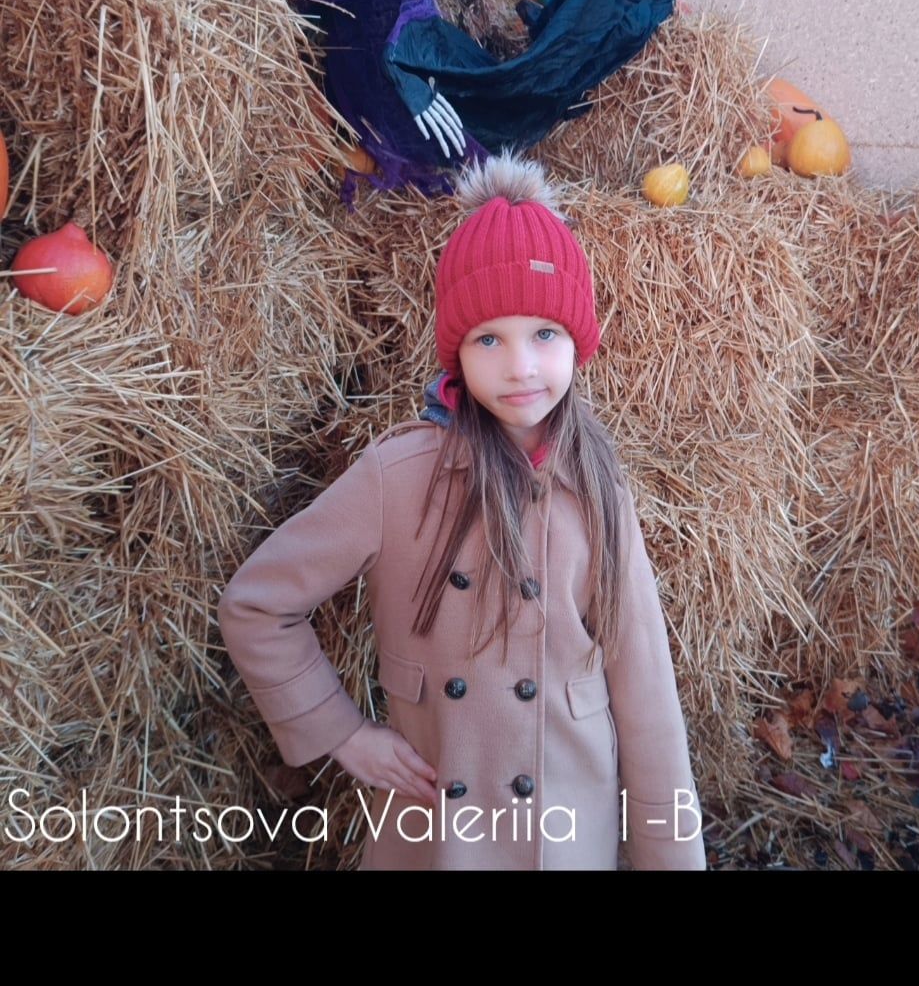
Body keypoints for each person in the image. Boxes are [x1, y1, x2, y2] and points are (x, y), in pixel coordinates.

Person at [218, 151, 706, 870]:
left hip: (567, 836)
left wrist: (670, 857)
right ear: (457, 353)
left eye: (545, 333)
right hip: (440, 837)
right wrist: (342, 732)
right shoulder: (398, 477)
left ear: (578, 342)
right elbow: (257, 605)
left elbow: (646, 699)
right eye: (489, 339)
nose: (521, 366)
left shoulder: (599, 486)